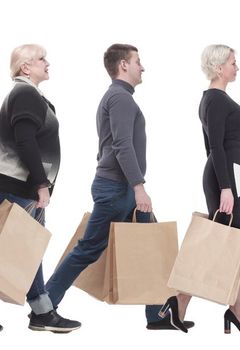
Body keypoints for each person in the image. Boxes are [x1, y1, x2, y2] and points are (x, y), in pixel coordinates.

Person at [45, 44, 186, 331]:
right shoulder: (120, 98)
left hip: (119, 188)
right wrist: (139, 187)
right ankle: (44, 306)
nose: (142, 67)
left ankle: (155, 315)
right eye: (138, 61)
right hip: (117, 189)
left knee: (153, 247)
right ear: (123, 65)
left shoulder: (119, 97)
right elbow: (121, 146)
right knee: (88, 249)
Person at [0, 44, 80, 334]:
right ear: (25, 67)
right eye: (41, 59)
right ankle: (35, 312)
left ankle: (27, 311)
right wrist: (40, 184)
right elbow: (25, 142)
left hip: (17, 185)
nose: (48, 63)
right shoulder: (24, 93)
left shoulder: (31, 95)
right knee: (15, 248)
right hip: (16, 185)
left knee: (22, 248)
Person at [160, 44, 240, 335]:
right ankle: (233, 307)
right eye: (232, 62)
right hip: (225, 177)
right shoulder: (215, 100)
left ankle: (183, 302)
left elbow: (213, 147)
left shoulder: (216, 99)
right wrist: (225, 188)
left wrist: (231, 181)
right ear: (219, 68)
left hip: (231, 174)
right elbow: (215, 147)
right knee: (225, 242)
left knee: (229, 243)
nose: (236, 67)